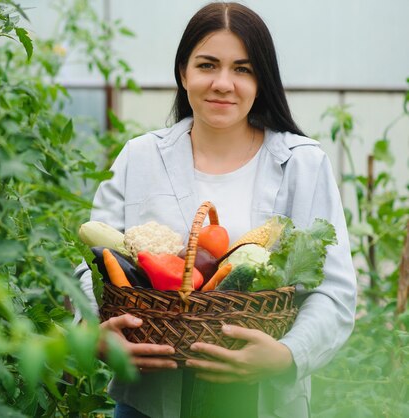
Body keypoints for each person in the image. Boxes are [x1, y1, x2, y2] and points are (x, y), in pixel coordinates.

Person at [73, 2, 357, 417]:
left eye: (243, 69)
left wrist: (287, 355)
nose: (224, 83)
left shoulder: (303, 163)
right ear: (183, 72)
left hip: (261, 401)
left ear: (262, 79)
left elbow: (335, 290)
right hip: (149, 399)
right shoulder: (140, 157)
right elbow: (90, 266)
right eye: (208, 65)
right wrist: (94, 332)